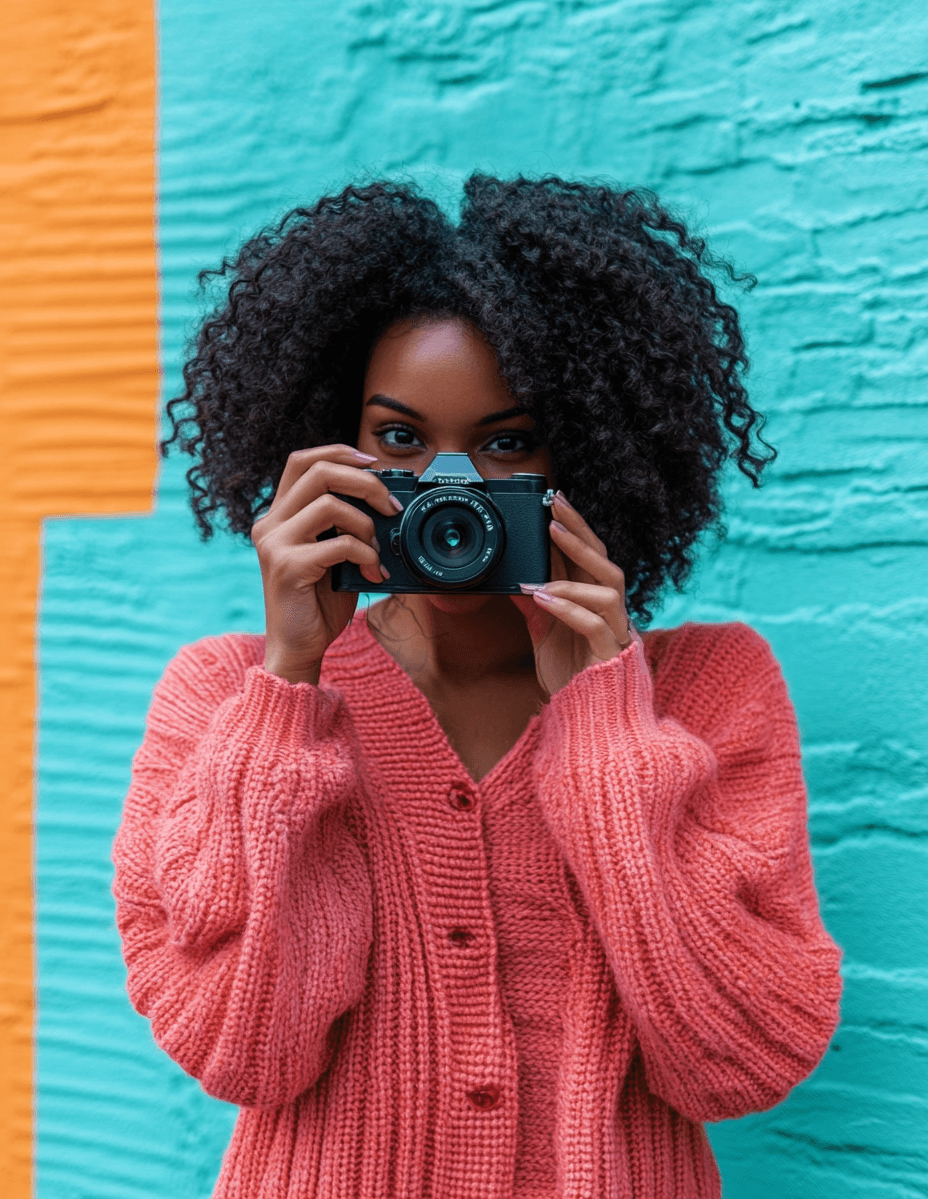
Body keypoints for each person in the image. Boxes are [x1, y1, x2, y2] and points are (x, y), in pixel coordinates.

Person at [112, 174, 843, 1199]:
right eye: (401, 440)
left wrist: (605, 729)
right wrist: (288, 686)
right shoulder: (224, 697)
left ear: (590, 447)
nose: (452, 491)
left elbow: (744, 1058)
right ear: (328, 445)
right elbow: (240, 1047)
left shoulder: (706, 692)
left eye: (508, 443)